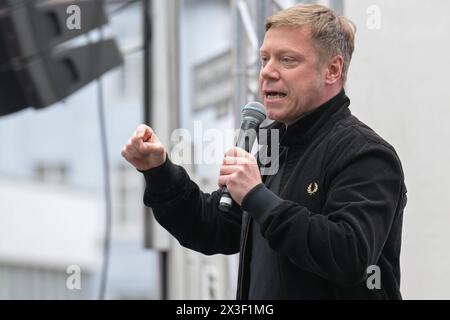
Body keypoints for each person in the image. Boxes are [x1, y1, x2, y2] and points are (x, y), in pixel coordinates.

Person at [121, 4, 407, 300]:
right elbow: (213, 228)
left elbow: (349, 254)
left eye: (287, 60)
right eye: (264, 59)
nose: (268, 72)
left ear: (332, 70)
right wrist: (159, 170)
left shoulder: (365, 153)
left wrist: (257, 195)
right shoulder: (273, 145)